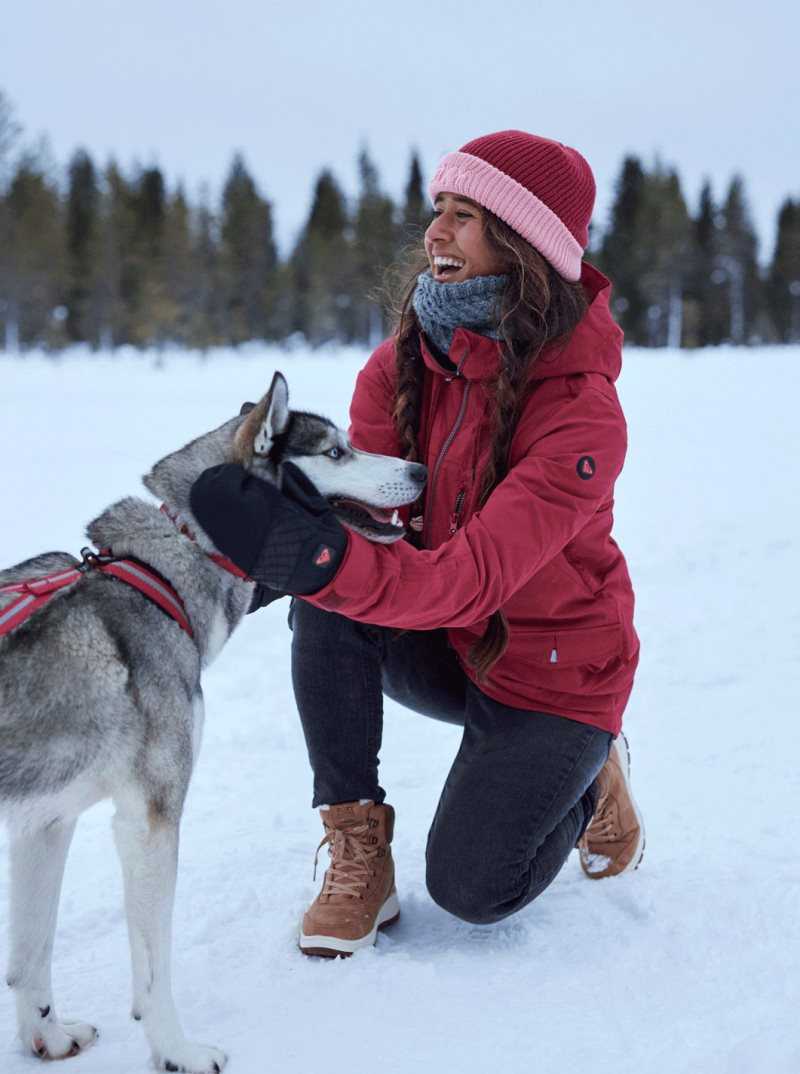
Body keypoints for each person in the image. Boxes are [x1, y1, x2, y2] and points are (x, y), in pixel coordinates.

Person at [190, 130, 645, 958]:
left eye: (465, 216)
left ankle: (588, 773)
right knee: (328, 604)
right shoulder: (397, 369)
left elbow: (471, 579)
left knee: (474, 891)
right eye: (439, 210)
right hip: (452, 648)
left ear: (526, 246)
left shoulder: (581, 410)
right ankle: (358, 848)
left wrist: (326, 561)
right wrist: (269, 549)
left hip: (556, 676)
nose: (435, 232)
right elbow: (375, 536)